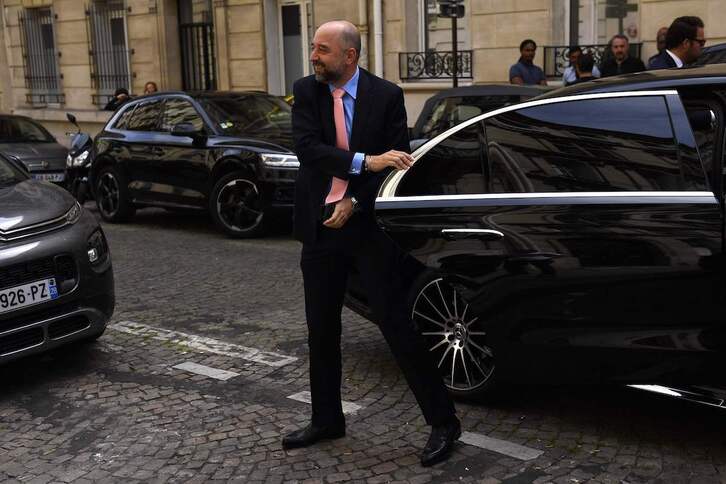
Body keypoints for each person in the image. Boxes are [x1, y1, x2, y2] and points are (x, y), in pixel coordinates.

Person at [284, 20, 460, 467]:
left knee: (397, 324)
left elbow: (396, 162)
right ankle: (327, 419)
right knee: (321, 330)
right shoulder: (307, 91)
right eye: (313, 48)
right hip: (320, 227)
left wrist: (356, 202)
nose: (313, 57)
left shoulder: (386, 96)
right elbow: (309, 149)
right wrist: (365, 161)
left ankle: (444, 422)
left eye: (322, 50)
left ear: (350, 56)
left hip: (365, 230)